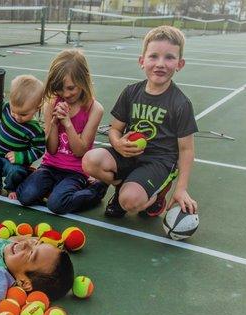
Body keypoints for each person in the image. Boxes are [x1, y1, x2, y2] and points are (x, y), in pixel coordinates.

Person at [82, 26, 198, 217]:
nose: (160, 63)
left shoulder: (181, 104)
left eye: (169, 57)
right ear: (142, 61)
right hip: (128, 155)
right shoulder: (131, 92)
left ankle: (156, 194)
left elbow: (186, 150)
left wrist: (181, 188)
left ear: (180, 64)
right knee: (90, 161)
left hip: (159, 161)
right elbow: (114, 129)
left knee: (129, 201)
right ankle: (124, 188)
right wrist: (118, 143)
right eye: (153, 56)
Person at [16, 49, 107, 214]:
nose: (65, 94)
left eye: (71, 88)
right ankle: (55, 188)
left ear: (83, 80)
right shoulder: (52, 102)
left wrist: (68, 123)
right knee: (25, 196)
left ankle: (96, 190)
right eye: (60, 89)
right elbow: (51, 149)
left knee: (56, 205)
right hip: (50, 166)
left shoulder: (95, 109)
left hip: (76, 172)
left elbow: (80, 151)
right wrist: (55, 123)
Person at [0, 75, 45, 200]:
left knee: (16, 172)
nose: (17, 116)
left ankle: (12, 187)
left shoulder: (35, 129)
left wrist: (20, 157)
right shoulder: (6, 108)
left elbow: (38, 150)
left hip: (17, 162)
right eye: (13, 111)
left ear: (37, 107)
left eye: (23, 114)